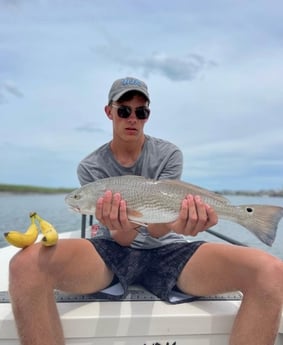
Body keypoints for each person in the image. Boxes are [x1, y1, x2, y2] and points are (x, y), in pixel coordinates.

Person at [8, 76, 283, 345]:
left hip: (168, 248)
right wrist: (121, 225)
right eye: (124, 110)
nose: (132, 118)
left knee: (271, 271)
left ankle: (248, 217)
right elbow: (121, 238)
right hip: (110, 249)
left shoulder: (168, 154)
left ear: (147, 115)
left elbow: (160, 228)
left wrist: (179, 224)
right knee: (25, 265)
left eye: (141, 112)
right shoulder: (90, 166)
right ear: (109, 112)